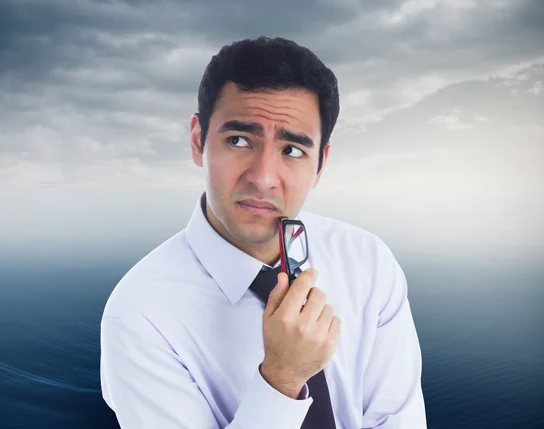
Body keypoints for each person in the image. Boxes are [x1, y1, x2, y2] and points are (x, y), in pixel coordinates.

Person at [99, 36, 427, 428]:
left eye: (292, 150)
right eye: (238, 141)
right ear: (197, 141)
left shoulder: (368, 262)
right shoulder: (140, 313)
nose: (263, 178)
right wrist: (281, 379)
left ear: (320, 164)